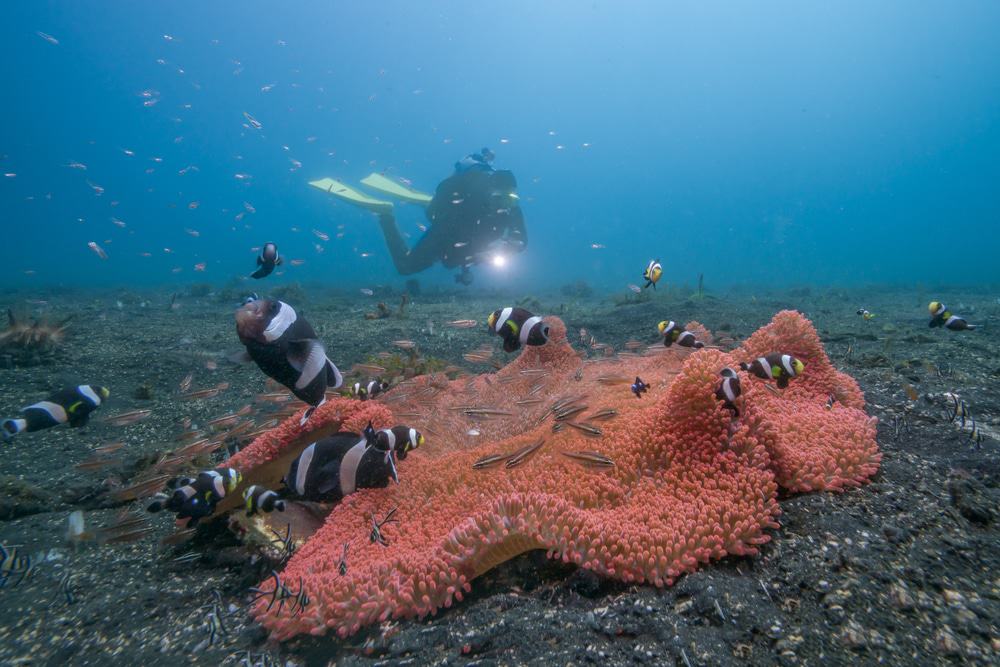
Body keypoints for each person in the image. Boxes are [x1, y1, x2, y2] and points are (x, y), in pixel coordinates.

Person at [376, 149, 526, 284]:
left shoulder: (511, 208)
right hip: (447, 231)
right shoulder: (467, 203)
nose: (503, 204)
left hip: (469, 245)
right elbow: (435, 218)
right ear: (487, 193)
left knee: (452, 261)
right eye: (499, 198)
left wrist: (498, 251)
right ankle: (386, 214)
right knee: (405, 267)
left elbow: (520, 240)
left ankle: (426, 204)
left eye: (510, 199)